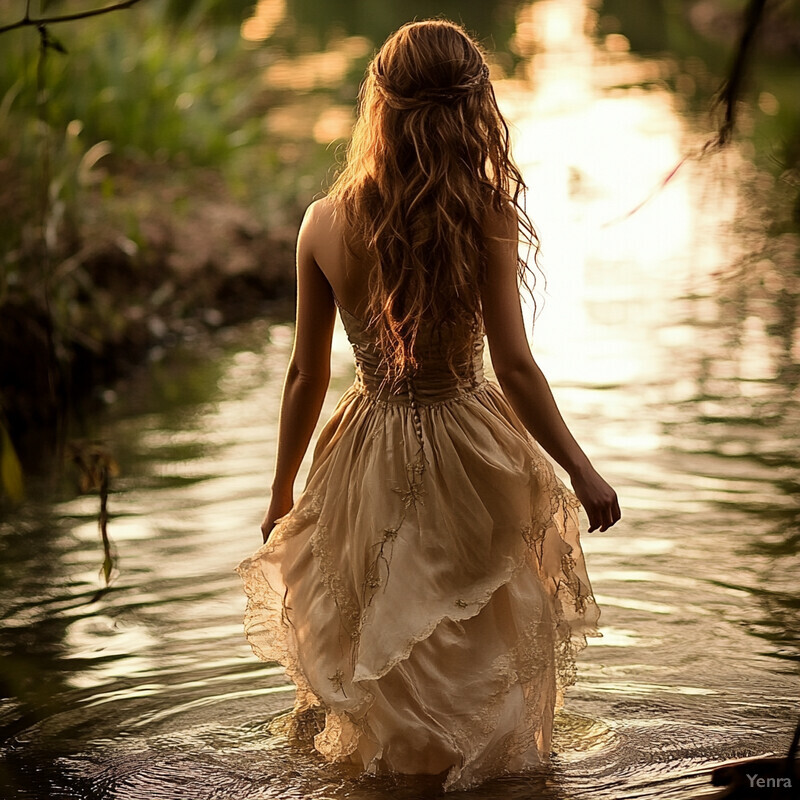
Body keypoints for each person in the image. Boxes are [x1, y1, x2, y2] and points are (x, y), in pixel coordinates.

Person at [235, 18, 620, 792]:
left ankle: (389, 773)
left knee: (377, 620)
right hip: (469, 442)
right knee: (468, 631)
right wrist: (581, 470)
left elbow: (306, 375)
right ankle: (479, 773)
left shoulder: (324, 221)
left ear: (377, 103)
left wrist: (282, 489)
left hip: (363, 445)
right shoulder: (486, 215)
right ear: (475, 109)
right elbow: (513, 363)